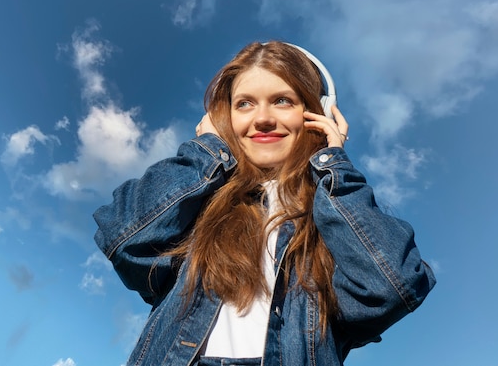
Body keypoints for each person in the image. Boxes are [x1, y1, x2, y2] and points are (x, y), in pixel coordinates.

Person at [93, 41, 436, 366]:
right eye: (244, 103)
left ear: (317, 112)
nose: (263, 118)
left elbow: (390, 287)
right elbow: (123, 238)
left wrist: (335, 164)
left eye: (282, 100)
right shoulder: (197, 207)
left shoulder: (334, 216)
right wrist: (207, 150)